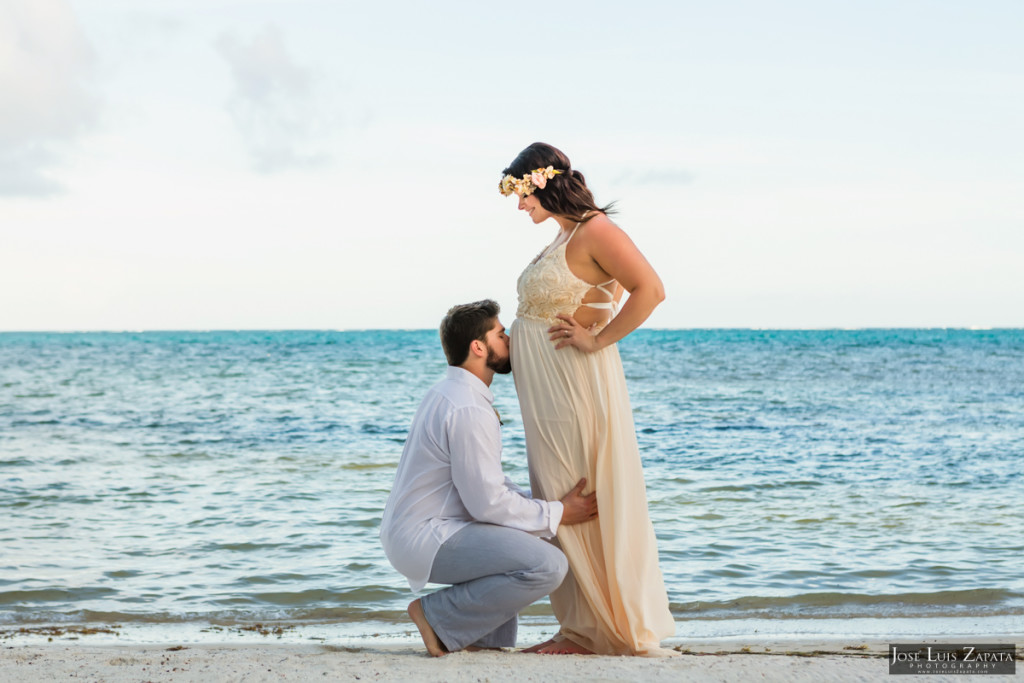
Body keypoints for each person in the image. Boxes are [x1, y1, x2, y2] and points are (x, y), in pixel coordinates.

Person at [498, 143, 676, 656]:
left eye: (518, 192)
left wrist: (597, 337)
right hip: (548, 391)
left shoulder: (596, 229)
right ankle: (581, 625)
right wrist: (599, 306)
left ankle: (586, 630)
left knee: (570, 492)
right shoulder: (566, 234)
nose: (517, 206)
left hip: (571, 387)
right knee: (558, 491)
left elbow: (651, 289)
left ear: (538, 181)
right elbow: (606, 289)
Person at [379, 299, 599, 657]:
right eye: (501, 333)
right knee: (547, 564)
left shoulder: (449, 393)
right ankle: (435, 616)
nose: (510, 340)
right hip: (428, 536)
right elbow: (487, 502)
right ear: (478, 347)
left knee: (518, 534)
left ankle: (483, 641)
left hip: (419, 530)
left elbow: (485, 485)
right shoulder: (467, 407)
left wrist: (547, 502)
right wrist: (557, 513)